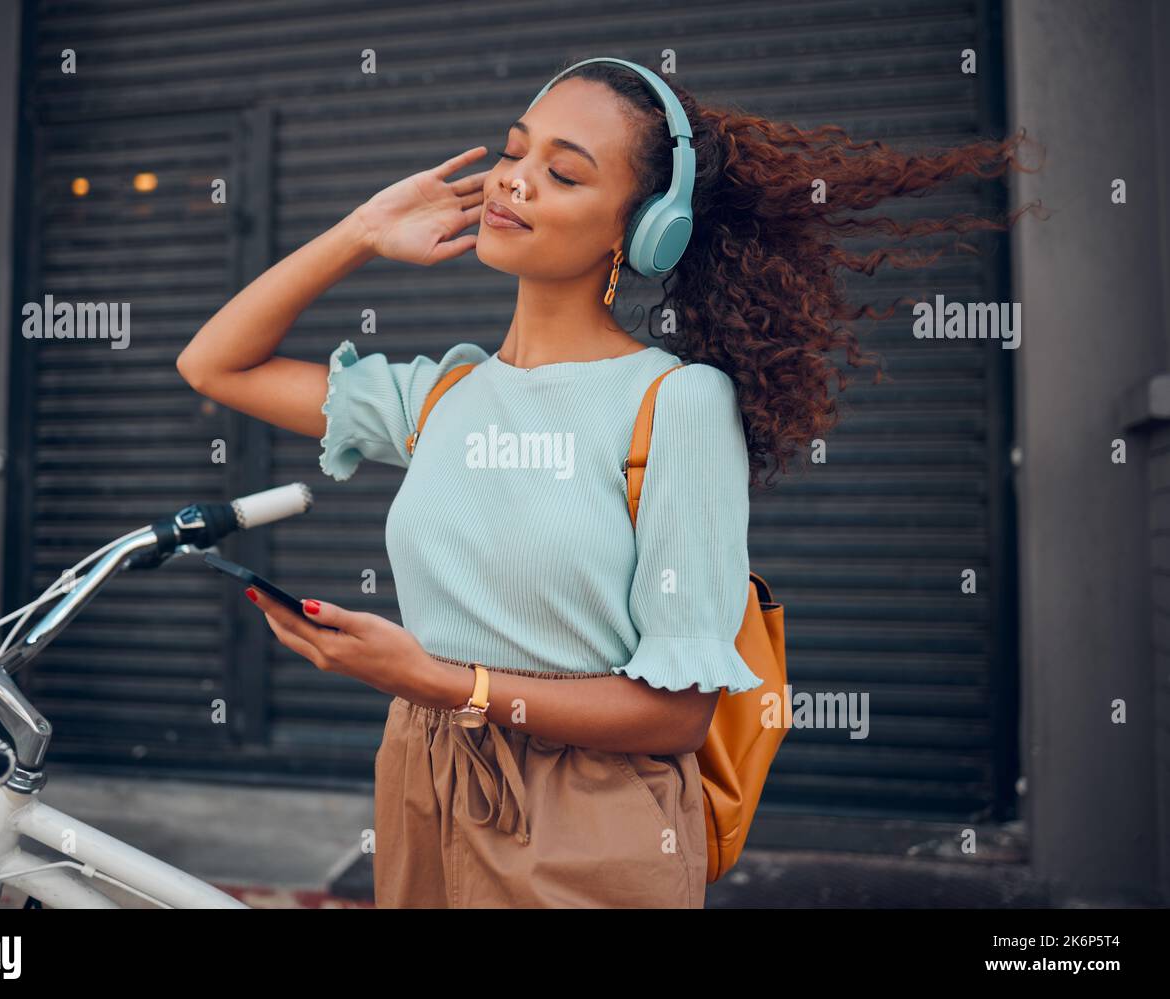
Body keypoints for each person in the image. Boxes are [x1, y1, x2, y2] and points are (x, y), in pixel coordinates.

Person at [176, 59, 1033, 908]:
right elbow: (214, 363)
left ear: (643, 228)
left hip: (585, 820)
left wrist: (447, 683)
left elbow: (678, 717)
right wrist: (362, 230)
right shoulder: (444, 396)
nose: (515, 183)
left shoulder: (676, 404)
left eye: (563, 172)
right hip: (423, 782)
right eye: (515, 154)